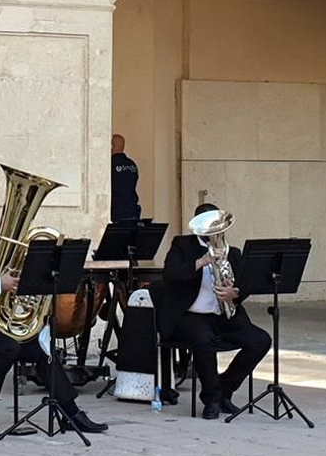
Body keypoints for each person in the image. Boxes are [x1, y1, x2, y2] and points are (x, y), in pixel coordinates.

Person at [0, 195, 108, 435]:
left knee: (42, 351)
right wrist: (0, 284)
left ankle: (71, 412)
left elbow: (14, 277)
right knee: (8, 347)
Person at [152, 203, 272, 420]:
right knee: (204, 341)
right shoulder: (182, 245)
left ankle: (225, 387)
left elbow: (247, 283)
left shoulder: (232, 252)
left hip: (222, 315)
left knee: (260, 340)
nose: (215, 232)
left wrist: (235, 293)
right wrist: (202, 261)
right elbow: (170, 274)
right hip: (190, 315)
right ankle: (212, 399)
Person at [110, 134, 141, 222]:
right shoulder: (132, 164)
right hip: (132, 210)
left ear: (111, 147)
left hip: (117, 212)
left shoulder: (110, 165)